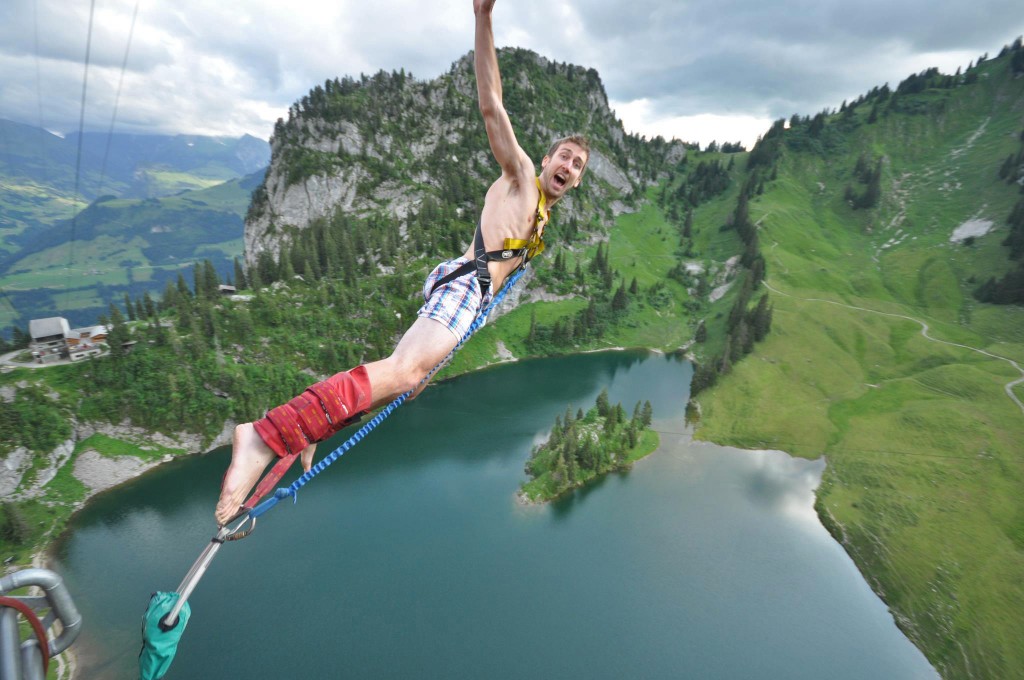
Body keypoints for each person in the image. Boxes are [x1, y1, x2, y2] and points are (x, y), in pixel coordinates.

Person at [215, 0, 590, 525]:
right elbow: (492, 107)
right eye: (565, 156)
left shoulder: (541, 213)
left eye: (578, 165)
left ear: (576, 179)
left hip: (465, 292)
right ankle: (264, 435)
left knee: (405, 383)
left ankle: (306, 428)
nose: (569, 166)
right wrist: (483, 17)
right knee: (403, 371)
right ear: (547, 159)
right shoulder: (522, 176)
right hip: (463, 288)